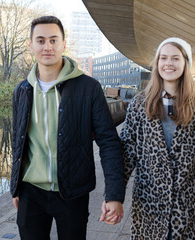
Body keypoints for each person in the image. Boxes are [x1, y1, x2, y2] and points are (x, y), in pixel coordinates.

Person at [10, 16, 125, 240]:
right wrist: (15, 187)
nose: (47, 47)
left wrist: (114, 195)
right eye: (41, 40)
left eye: (54, 40)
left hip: (72, 192)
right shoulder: (21, 91)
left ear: (63, 43)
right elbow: (18, 140)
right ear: (31, 45)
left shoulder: (88, 88)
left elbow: (109, 142)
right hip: (30, 193)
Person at [120, 37, 195, 240]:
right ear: (157, 63)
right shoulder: (140, 104)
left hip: (188, 208)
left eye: (175, 58)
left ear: (185, 64)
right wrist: (113, 196)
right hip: (148, 206)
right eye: (163, 58)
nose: (168, 63)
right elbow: (126, 153)